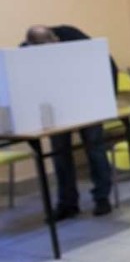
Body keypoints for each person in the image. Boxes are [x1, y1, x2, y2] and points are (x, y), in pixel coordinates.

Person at [21, 25, 116, 219]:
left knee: (95, 150)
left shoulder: (73, 37)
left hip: (88, 103)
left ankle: (102, 198)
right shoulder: (26, 52)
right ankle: (67, 203)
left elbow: (107, 64)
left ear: (55, 39)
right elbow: (25, 82)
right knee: (59, 155)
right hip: (57, 110)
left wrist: (107, 100)